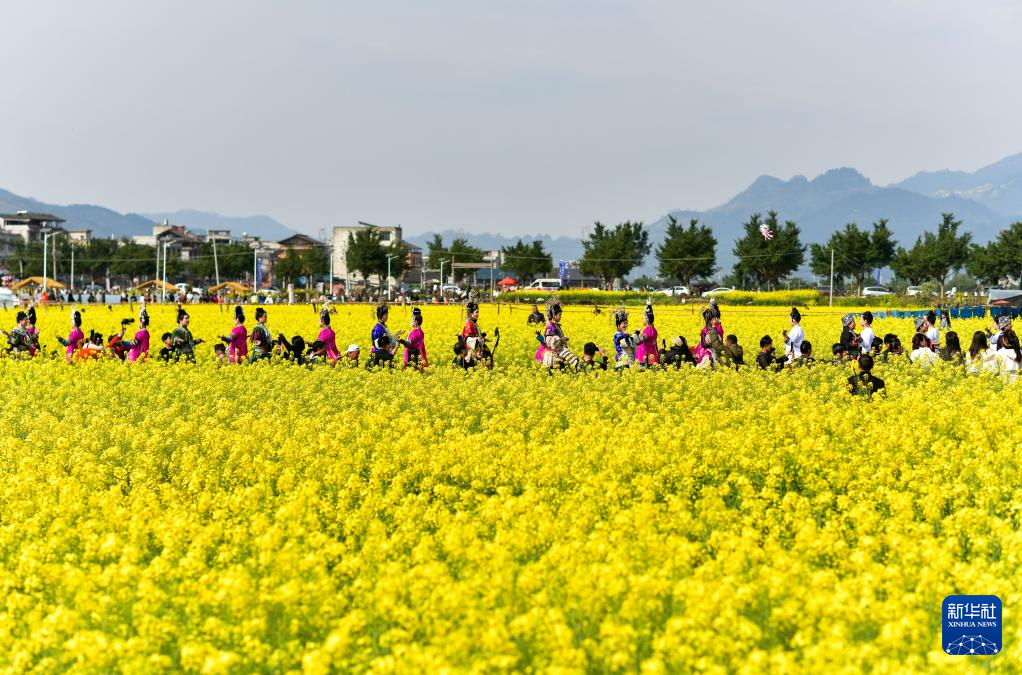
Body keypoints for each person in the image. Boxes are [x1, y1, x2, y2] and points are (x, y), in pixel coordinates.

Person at [541, 298, 579, 370]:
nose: (560, 317)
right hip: (552, 358)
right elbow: (551, 344)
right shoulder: (551, 328)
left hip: (558, 356)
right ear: (554, 315)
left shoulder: (555, 326)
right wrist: (562, 340)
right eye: (559, 315)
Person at [370, 303, 402, 368]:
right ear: (380, 316)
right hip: (379, 355)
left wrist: (396, 335)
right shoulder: (377, 327)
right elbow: (377, 343)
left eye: (387, 315)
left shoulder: (384, 326)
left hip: (386, 352)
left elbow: (387, 339)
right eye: (385, 315)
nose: (387, 317)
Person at [695, 301, 724, 366]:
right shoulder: (706, 329)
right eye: (714, 318)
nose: (716, 319)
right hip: (709, 352)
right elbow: (707, 343)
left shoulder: (718, 327)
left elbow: (718, 341)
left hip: (714, 351)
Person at [633, 302, 659, 367]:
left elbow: (640, 341)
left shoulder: (647, 330)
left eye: (643, 318)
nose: (642, 320)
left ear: (647, 319)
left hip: (644, 356)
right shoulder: (654, 329)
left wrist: (636, 334)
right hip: (652, 356)